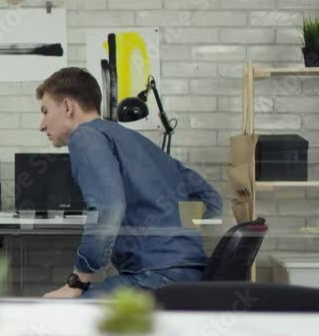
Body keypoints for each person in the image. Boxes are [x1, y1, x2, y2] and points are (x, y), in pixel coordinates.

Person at [35, 67, 223, 299]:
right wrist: (175, 235)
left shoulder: (85, 136)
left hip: (153, 279)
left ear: (67, 107)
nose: (42, 125)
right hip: (192, 276)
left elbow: (108, 208)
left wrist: (78, 282)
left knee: (63, 313)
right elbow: (211, 200)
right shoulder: (137, 141)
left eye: (45, 111)